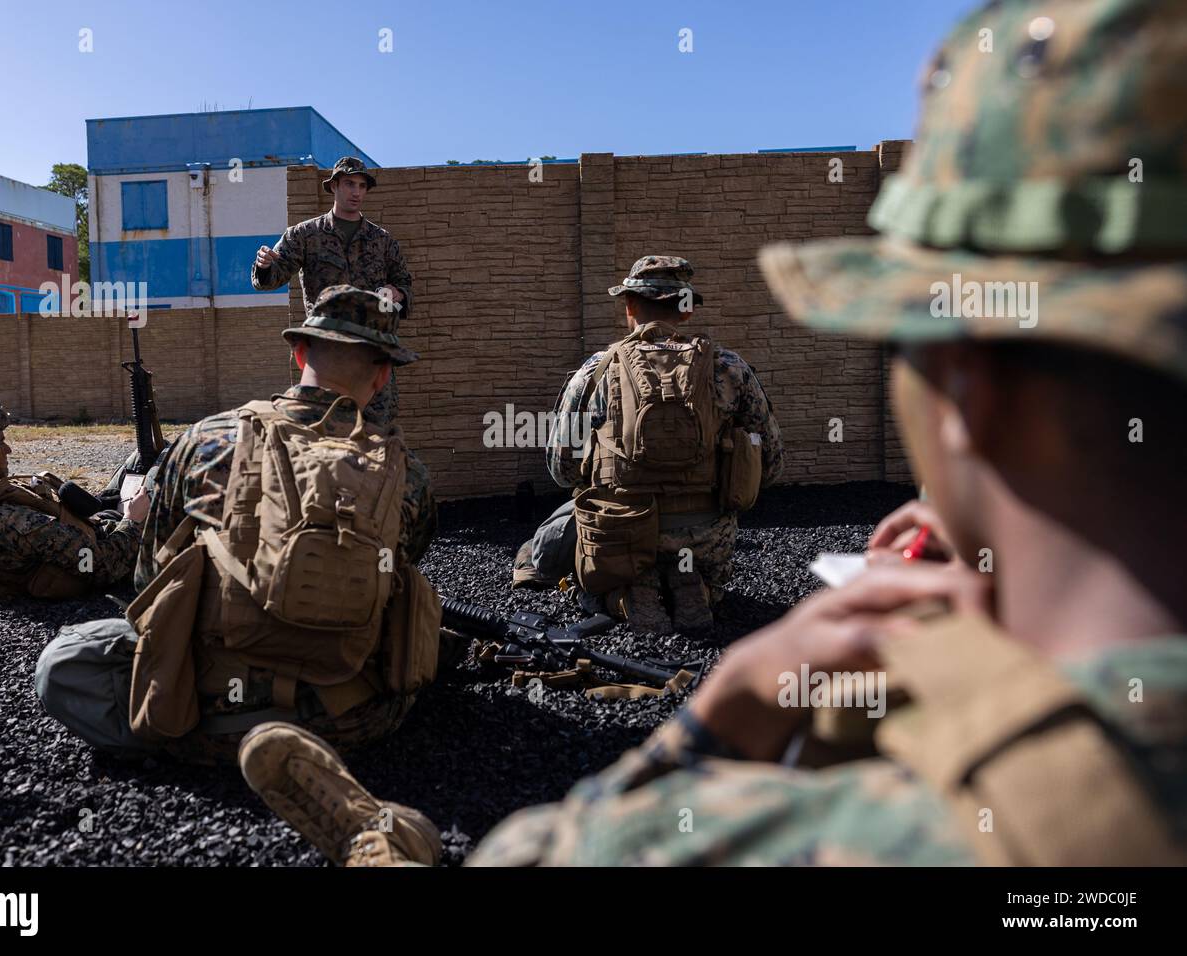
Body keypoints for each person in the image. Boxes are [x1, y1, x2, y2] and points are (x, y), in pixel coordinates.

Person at [240, 0, 1187, 867]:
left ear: (963, 385)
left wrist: (711, 730)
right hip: (716, 552)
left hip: (623, 558)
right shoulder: (731, 367)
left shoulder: (826, 841)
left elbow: (568, 464)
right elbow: (766, 464)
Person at [37, 286, 445, 770]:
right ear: (381, 376)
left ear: (299, 354)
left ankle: (186, 733)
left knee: (62, 662)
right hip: (353, 722)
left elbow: (148, 587)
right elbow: (391, 584)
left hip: (209, 720)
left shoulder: (205, 439)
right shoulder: (407, 473)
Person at [518, 255, 783, 634]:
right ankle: (696, 586)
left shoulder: (596, 371)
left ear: (629, 307)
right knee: (694, 560)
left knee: (563, 554)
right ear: (687, 311)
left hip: (618, 536)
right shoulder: (730, 369)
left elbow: (562, 471)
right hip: (708, 540)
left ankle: (624, 594)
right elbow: (770, 465)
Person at [0, 397, 148, 600]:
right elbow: (99, 565)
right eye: (0, 441)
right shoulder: (15, 523)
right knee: (163, 458)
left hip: (92, 523)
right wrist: (133, 519)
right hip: (117, 542)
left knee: (141, 454)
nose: (8, 449)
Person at [252, 157, 412, 427]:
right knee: (320, 429)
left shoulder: (382, 240)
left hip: (370, 352)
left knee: (374, 433)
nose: (356, 192)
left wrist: (397, 293)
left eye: (362, 185)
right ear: (334, 186)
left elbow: (404, 283)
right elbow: (269, 280)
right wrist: (264, 265)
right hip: (326, 354)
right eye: (349, 184)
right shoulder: (304, 235)